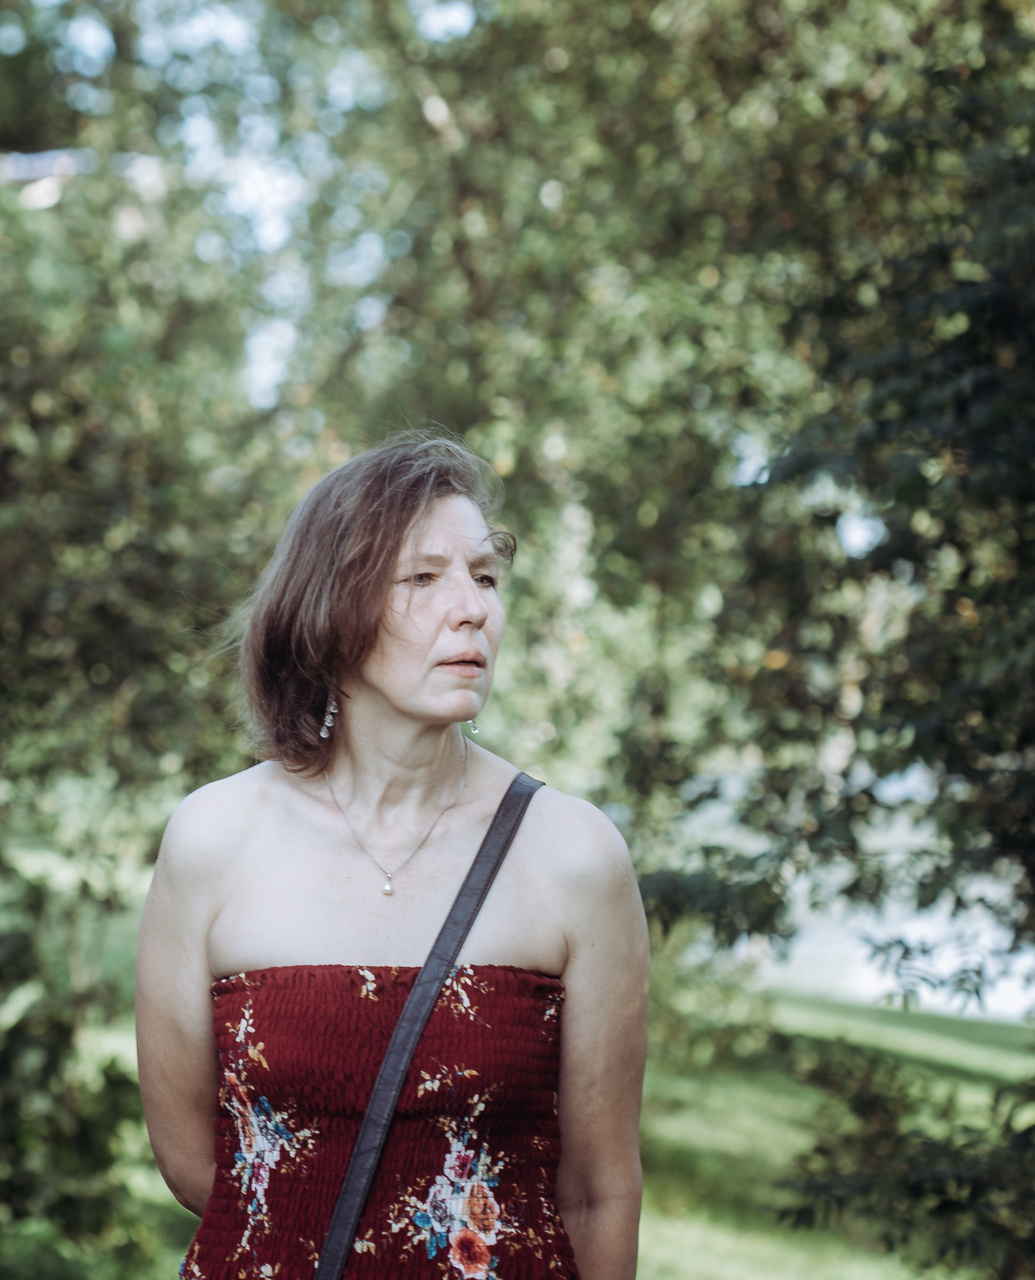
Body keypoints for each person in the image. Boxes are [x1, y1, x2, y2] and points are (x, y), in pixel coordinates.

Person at [135, 435, 649, 1280]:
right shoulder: (215, 839)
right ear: (330, 606)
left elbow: (601, 1192)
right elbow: (197, 1164)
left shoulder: (573, 855)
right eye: (423, 578)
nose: (472, 608)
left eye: (485, 576)